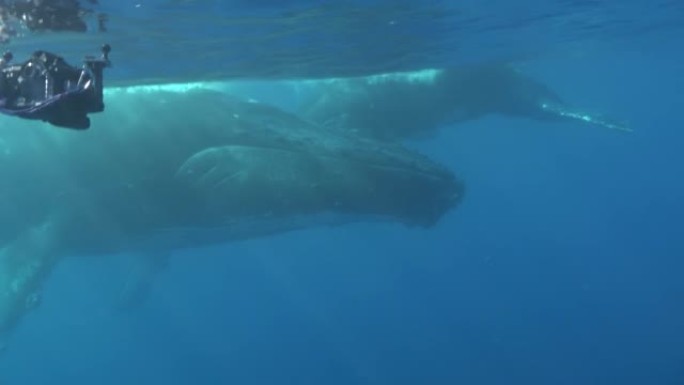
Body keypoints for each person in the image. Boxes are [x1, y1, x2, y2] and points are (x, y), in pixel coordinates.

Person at [0, 43, 111, 129]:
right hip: (53, 98)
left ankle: (95, 69)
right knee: (94, 107)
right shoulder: (7, 105)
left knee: (95, 106)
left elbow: (32, 110)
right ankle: (95, 69)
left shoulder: (6, 104)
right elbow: (30, 110)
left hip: (54, 97)